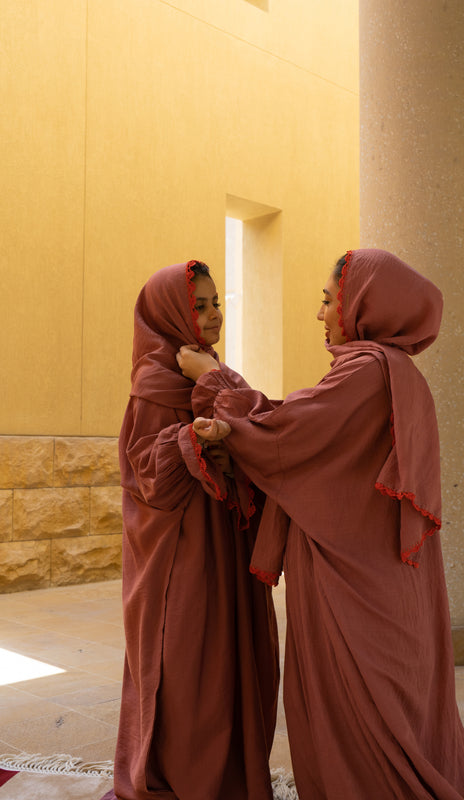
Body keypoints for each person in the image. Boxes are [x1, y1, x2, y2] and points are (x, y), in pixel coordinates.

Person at [178, 248, 464, 799]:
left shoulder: (367, 370)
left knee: (362, 718)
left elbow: (287, 437)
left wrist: (217, 378)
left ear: (365, 303)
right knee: (393, 719)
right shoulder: (392, 372)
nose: (319, 314)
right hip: (382, 583)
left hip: (357, 593)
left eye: (327, 300)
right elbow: (311, 444)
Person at [112, 260, 279, 800]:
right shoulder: (154, 384)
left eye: (216, 303)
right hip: (178, 553)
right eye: (198, 306)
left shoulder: (203, 371)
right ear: (170, 316)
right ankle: (183, 780)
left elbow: (258, 429)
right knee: (187, 663)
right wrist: (193, 441)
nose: (213, 316)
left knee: (227, 661)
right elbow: (144, 475)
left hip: (223, 542)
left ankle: (228, 778)